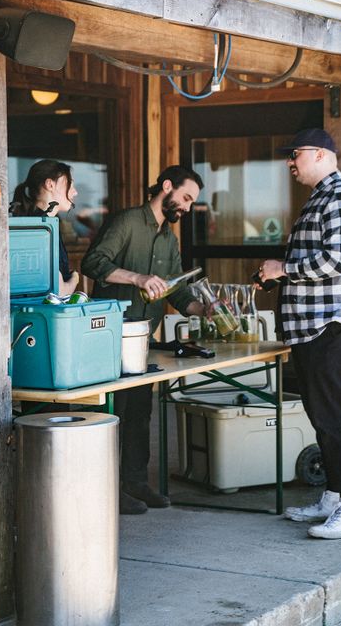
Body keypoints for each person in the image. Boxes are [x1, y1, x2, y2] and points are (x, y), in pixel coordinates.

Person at [258, 128, 341, 540]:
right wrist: (278, 275)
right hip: (314, 327)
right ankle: (333, 496)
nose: (291, 162)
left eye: (296, 154)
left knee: (334, 416)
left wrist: (283, 269)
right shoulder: (321, 197)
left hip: (335, 325)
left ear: (322, 155)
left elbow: (336, 261)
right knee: (322, 416)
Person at [81, 165, 206, 515]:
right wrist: (136, 277)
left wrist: (203, 309)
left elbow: (176, 292)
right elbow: (93, 263)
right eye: (184, 197)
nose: (186, 206)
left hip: (141, 340)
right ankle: (109, 487)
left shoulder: (169, 238)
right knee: (112, 414)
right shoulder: (126, 222)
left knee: (139, 411)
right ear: (166, 187)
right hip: (107, 337)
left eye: (191, 202)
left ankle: (134, 483)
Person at [11, 159, 80, 296]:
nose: (75, 192)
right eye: (70, 184)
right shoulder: (41, 231)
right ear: (50, 184)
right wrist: (75, 279)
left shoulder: (37, 224)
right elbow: (59, 292)